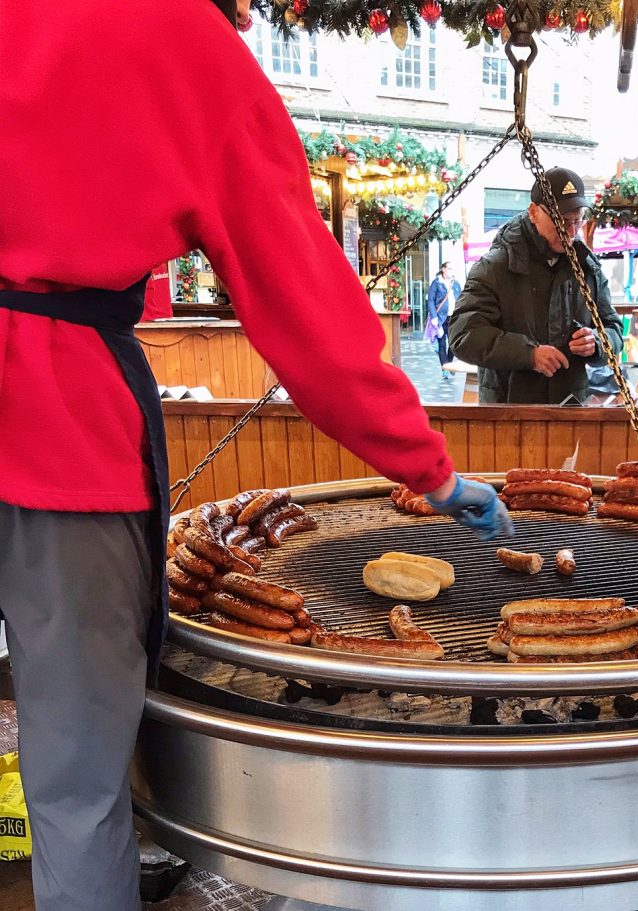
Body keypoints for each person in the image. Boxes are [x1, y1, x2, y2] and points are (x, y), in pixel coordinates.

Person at [0, 3, 512, 910]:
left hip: (51, 414)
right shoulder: (176, 36)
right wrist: (428, 466)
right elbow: (306, 306)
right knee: (75, 788)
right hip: (55, 429)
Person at [449, 167, 624, 404]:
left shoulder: (586, 268)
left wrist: (596, 343)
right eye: (561, 222)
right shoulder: (495, 268)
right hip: (508, 412)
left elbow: (613, 329)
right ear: (533, 212)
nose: (570, 232)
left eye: (577, 221)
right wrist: (528, 355)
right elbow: (463, 336)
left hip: (570, 409)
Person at [426, 261, 461, 378]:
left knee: (452, 344)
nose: (451, 271)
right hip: (441, 318)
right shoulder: (436, 283)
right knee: (442, 345)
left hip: (453, 318)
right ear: (443, 269)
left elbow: (461, 299)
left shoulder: (455, 284)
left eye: (453, 269)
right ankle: (445, 368)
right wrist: (434, 317)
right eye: (449, 269)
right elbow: (430, 300)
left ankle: (449, 364)